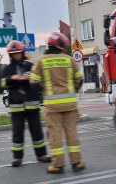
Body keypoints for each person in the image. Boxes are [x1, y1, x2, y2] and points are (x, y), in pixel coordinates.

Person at [30, 32, 85, 174]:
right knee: (72, 133)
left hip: (52, 106)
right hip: (70, 105)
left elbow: (33, 82)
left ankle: (58, 165)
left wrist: (44, 92)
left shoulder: (41, 61)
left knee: (55, 135)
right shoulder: (69, 60)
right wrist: (73, 90)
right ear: (60, 46)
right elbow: (79, 79)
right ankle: (77, 162)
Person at [0, 41, 51, 167]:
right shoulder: (8, 69)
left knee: (37, 131)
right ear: (10, 55)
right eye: (14, 54)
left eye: (18, 53)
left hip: (32, 105)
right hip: (17, 107)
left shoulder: (30, 65)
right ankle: (17, 158)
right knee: (17, 133)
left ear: (22, 53)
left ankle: (41, 155)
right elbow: (1, 83)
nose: (16, 55)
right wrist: (13, 78)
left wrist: (30, 77)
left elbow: (38, 78)